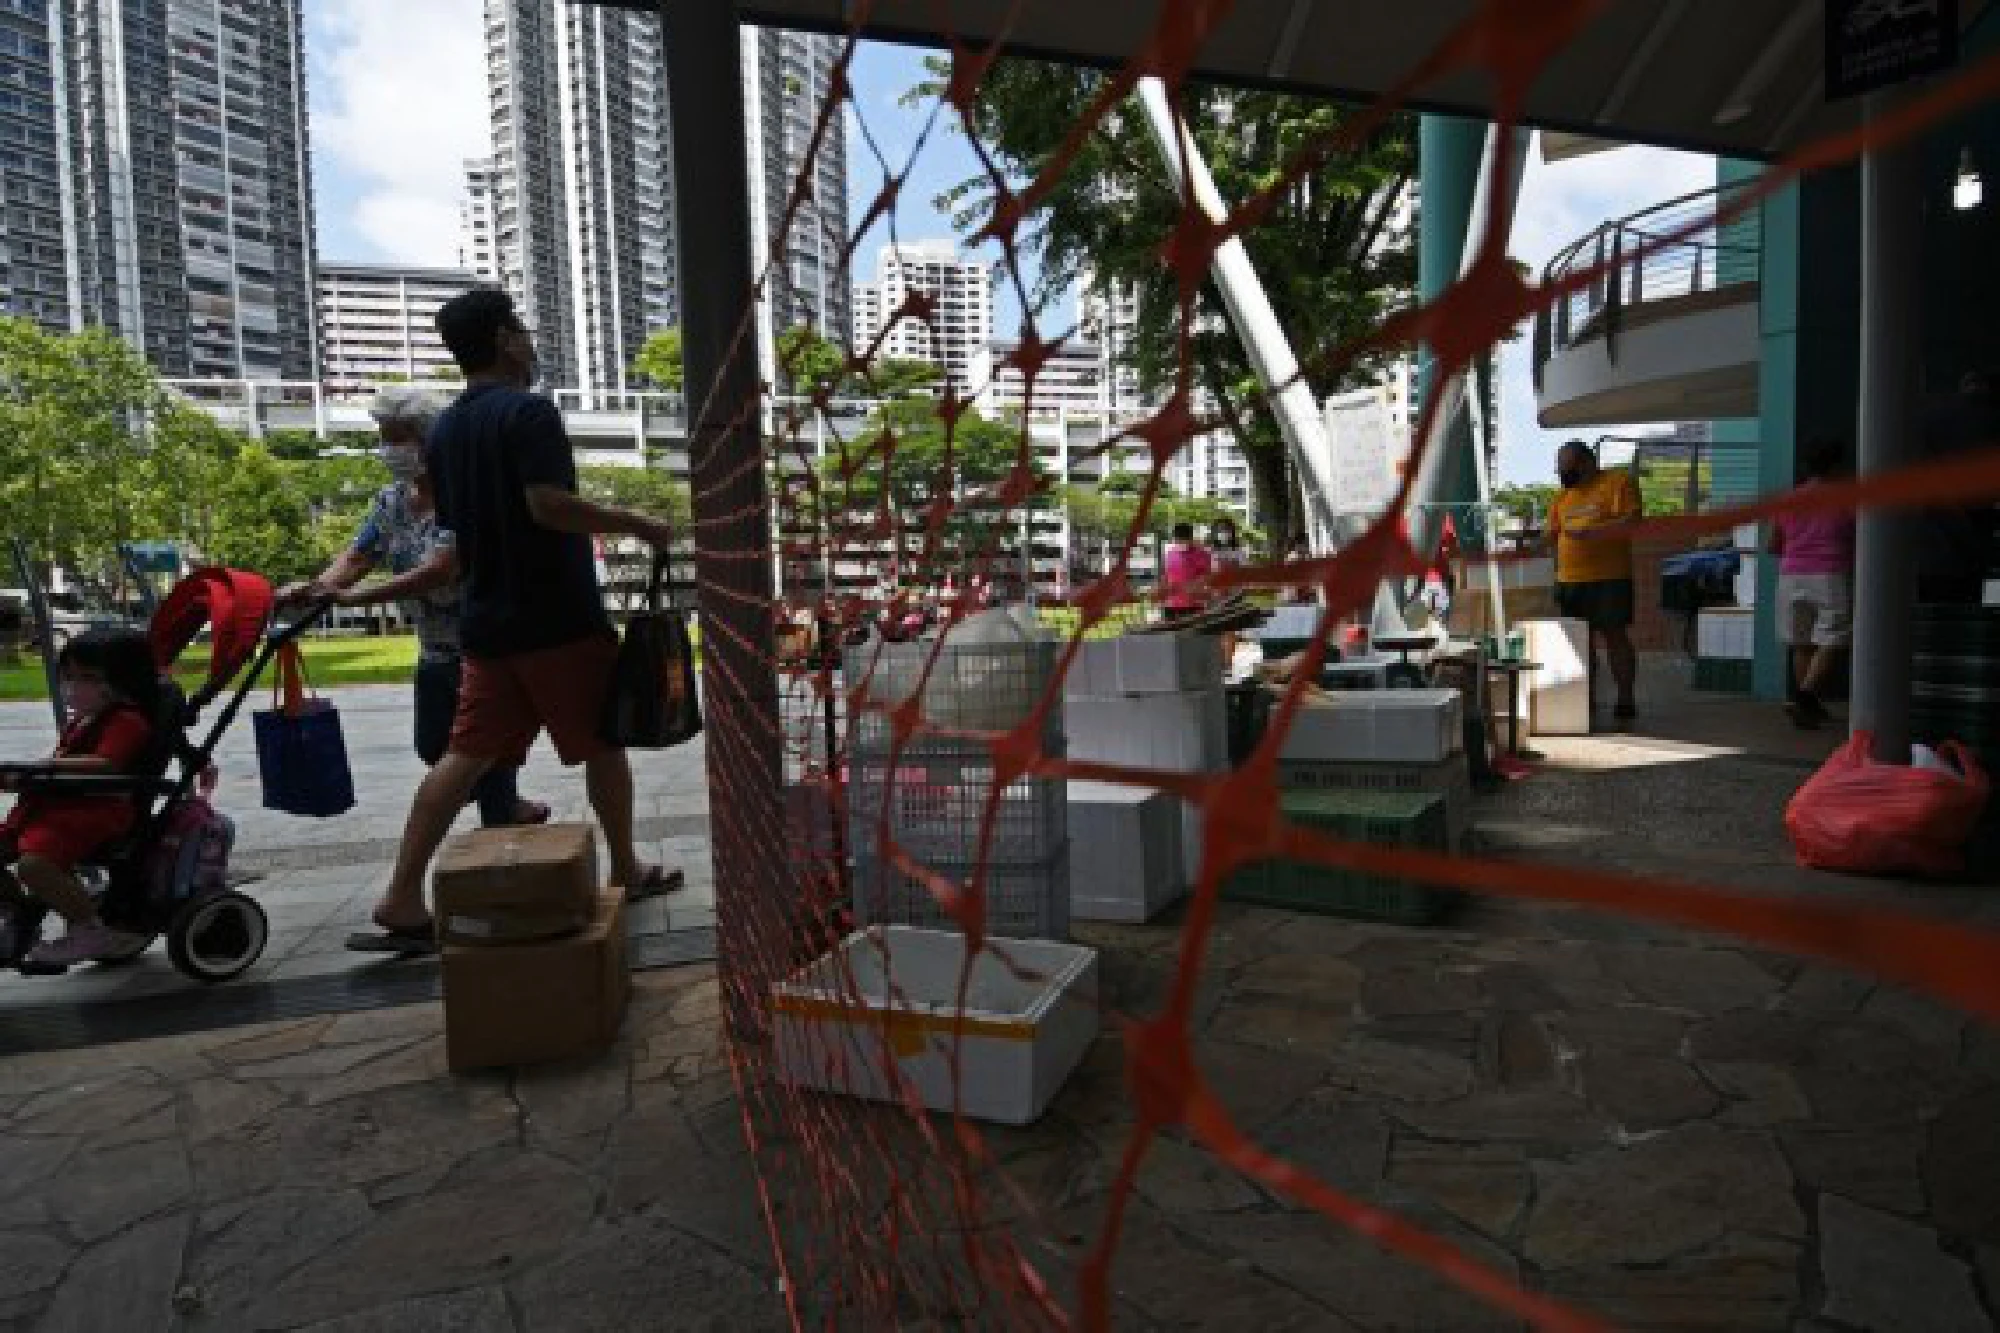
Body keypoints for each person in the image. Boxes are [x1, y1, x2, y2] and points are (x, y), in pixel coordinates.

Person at [352, 288, 679, 953]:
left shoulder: (443, 431)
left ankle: (402, 894)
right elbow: (549, 505)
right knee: (602, 743)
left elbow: (457, 531)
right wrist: (638, 523)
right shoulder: (528, 413)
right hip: (555, 615)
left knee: (463, 756)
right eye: (523, 331)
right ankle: (626, 864)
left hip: (486, 624)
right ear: (504, 338)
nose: (530, 343)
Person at [279, 385, 548, 831]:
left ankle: (499, 836)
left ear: (432, 439)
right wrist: (317, 588)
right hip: (434, 650)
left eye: (400, 436)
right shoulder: (392, 502)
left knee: (478, 753)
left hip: (483, 648)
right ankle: (499, 807)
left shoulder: (467, 495)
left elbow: (439, 570)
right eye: (385, 437)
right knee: (433, 747)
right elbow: (359, 556)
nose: (391, 449)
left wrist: (354, 598)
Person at [0, 630, 160, 965]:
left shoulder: (126, 721)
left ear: (123, 680)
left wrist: (47, 767)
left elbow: (107, 764)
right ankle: (17, 916)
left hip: (92, 811)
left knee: (34, 866)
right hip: (55, 806)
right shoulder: (83, 722)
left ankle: (88, 930)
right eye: (70, 676)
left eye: (88, 678)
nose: (75, 685)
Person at [1545, 440, 1642, 721]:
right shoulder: (1562, 497)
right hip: (1569, 580)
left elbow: (1633, 521)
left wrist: (1593, 532)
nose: (1564, 474)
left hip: (1609, 577)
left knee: (1615, 637)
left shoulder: (1618, 482)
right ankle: (1585, 698)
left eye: (1568, 467)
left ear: (1587, 462)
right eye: (1560, 469)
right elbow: (1551, 534)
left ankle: (1625, 698)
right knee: (1579, 642)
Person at [1769, 438, 1855, 729]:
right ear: (1838, 465)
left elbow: (1774, 544)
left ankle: (1807, 705)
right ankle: (1805, 696)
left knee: (1801, 643)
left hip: (1790, 575)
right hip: (1830, 574)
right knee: (1833, 638)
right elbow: (1861, 538)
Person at [1160, 522, 1213, 621]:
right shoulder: (1170, 553)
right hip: (1172, 603)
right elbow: (1166, 575)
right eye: (1177, 539)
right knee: (1172, 633)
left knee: (1194, 634)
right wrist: (1162, 594)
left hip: (1194, 604)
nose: (1180, 542)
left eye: (1183, 539)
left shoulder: (1202, 554)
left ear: (1190, 538)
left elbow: (1207, 576)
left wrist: (1195, 585)